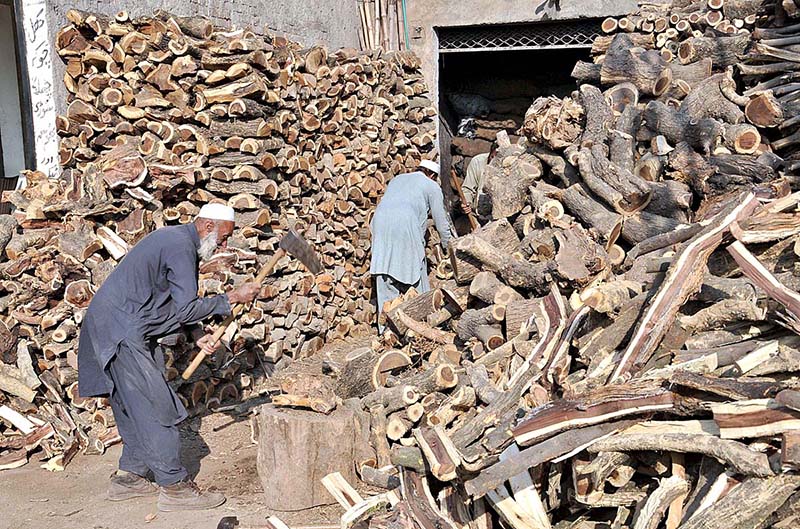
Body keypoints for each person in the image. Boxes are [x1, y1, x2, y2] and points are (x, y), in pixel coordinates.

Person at [77, 203, 260, 511]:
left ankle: (130, 477)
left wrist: (197, 333)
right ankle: (175, 487)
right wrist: (231, 297)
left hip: (112, 324)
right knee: (154, 404)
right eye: (224, 238)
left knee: (130, 403)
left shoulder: (174, 240)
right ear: (207, 227)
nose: (224, 247)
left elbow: (176, 304)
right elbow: (187, 307)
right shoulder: (180, 248)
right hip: (123, 330)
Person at [370, 160, 452, 331]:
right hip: (405, 223)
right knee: (416, 271)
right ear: (432, 175)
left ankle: (386, 330)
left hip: (379, 221)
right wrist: (449, 246)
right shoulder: (431, 185)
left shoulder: (397, 179)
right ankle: (423, 324)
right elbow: (440, 220)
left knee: (385, 271)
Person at [461, 143, 498, 217]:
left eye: (496, 161)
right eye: (492, 158)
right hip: (478, 214)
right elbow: (467, 189)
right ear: (490, 154)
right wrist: (466, 203)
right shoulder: (477, 162)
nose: (493, 163)